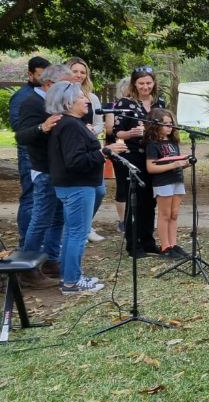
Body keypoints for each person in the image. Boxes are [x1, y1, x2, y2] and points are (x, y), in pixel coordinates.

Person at [47, 81, 127, 295]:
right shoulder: (70, 125)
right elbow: (75, 161)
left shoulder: (70, 123)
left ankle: (68, 276)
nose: (87, 101)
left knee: (72, 233)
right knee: (78, 234)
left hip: (73, 186)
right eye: (81, 97)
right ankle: (72, 282)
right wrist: (105, 151)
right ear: (68, 102)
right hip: (78, 186)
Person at [16, 64, 74, 282]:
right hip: (44, 169)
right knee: (41, 217)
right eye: (66, 84)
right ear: (49, 84)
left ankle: (51, 259)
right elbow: (22, 136)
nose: (71, 89)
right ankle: (27, 267)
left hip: (60, 168)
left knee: (58, 217)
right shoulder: (31, 102)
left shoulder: (60, 102)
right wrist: (42, 127)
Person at [112, 66, 165, 257]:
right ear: (134, 84)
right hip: (133, 155)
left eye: (149, 83)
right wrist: (131, 133)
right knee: (135, 201)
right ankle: (133, 244)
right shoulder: (125, 103)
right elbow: (117, 132)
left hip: (153, 155)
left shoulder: (159, 101)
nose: (145, 87)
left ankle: (148, 241)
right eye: (141, 83)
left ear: (154, 83)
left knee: (150, 201)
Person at [10, 55, 51, 247]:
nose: (44, 80)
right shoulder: (23, 97)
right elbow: (19, 126)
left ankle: (40, 243)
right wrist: (42, 126)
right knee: (30, 196)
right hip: (29, 152)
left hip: (44, 152)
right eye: (41, 75)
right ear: (30, 74)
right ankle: (26, 242)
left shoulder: (46, 94)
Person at [144, 108, 192, 259]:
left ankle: (173, 244)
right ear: (155, 125)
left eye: (171, 123)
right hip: (163, 182)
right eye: (165, 124)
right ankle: (165, 246)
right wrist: (174, 165)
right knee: (164, 214)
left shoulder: (173, 142)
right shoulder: (153, 144)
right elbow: (151, 167)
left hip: (177, 180)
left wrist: (184, 163)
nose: (170, 127)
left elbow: (175, 162)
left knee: (174, 214)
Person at [104, 77, 131, 232]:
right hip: (119, 149)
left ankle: (136, 217)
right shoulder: (113, 106)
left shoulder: (139, 105)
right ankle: (122, 220)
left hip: (136, 149)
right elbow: (109, 129)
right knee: (122, 184)